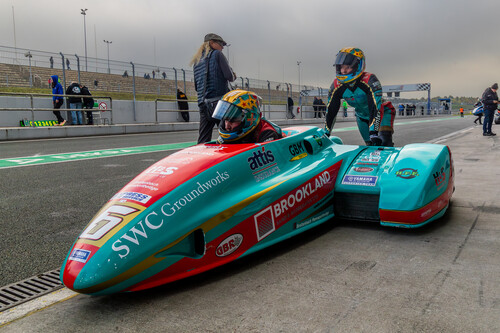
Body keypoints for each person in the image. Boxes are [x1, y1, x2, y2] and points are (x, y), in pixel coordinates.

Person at [325, 47, 395, 146]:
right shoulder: (336, 85)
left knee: (383, 143)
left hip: (382, 113)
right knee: (369, 145)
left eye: (348, 67)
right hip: (361, 116)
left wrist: (374, 132)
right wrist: (326, 134)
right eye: (341, 67)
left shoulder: (370, 80)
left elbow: (375, 107)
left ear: (357, 66)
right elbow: (331, 111)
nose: (343, 71)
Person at [190, 33, 236, 143]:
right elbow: (229, 76)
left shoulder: (196, 61)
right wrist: (234, 74)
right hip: (219, 102)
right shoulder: (217, 55)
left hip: (203, 104)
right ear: (211, 43)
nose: (222, 47)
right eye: (220, 44)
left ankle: (201, 159)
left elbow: (197, 86)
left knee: (203, 139)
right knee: (228, 135)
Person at [212, 90, 283, 144]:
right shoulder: (225, 135)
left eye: (233, 119)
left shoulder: (268, 134)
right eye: (225, 119)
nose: (227, 126)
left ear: (250, 117)